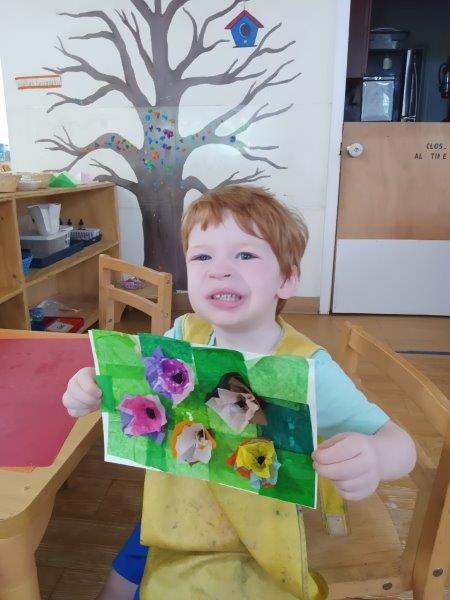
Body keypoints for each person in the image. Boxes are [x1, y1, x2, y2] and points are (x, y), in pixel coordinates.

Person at [63, 185, 416, 600]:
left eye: (245, 255)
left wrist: (375, 456)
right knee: (119, 582)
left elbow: (400, 443)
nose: (219, 270)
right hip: (178, 508)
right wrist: (91, 385)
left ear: (287, 279)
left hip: (261, 533)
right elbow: (129, 382)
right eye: (202, 257)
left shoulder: (308, 368)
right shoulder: (185, 333)